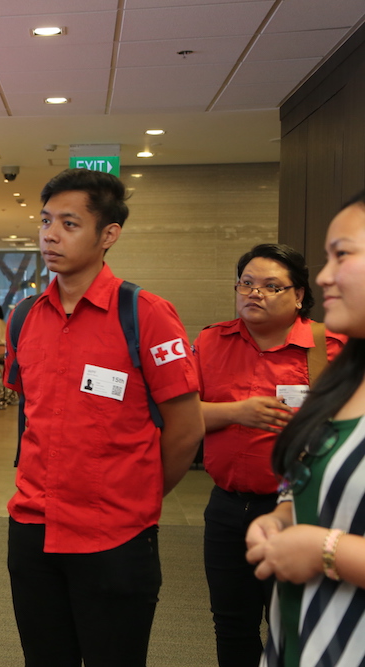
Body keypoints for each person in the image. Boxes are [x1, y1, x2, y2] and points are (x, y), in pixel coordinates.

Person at [4, 168, 204, 666]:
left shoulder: (146, 313)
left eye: (69, 224)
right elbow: (31, 415)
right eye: (45, 221)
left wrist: (136, 494)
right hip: (32, 529)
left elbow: (186, 429)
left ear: (108, 234)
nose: (50, 234)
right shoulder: (24, 316)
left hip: (115, 537)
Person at [195, 244, 345, 667]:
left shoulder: (329, 347)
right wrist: (236, 412)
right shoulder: (211, 341)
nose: (254, 293)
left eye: (270, 286)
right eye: (246, 283)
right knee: (231, 624)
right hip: (226, 508)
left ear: (299, 295)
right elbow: (180, 416)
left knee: (296, 626)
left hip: (300, 509)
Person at [246, 191, 365, 666]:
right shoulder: (345, 375)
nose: (323, 277)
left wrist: (326, 550)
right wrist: (283, 517)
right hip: (303, 638)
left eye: (343, 255)